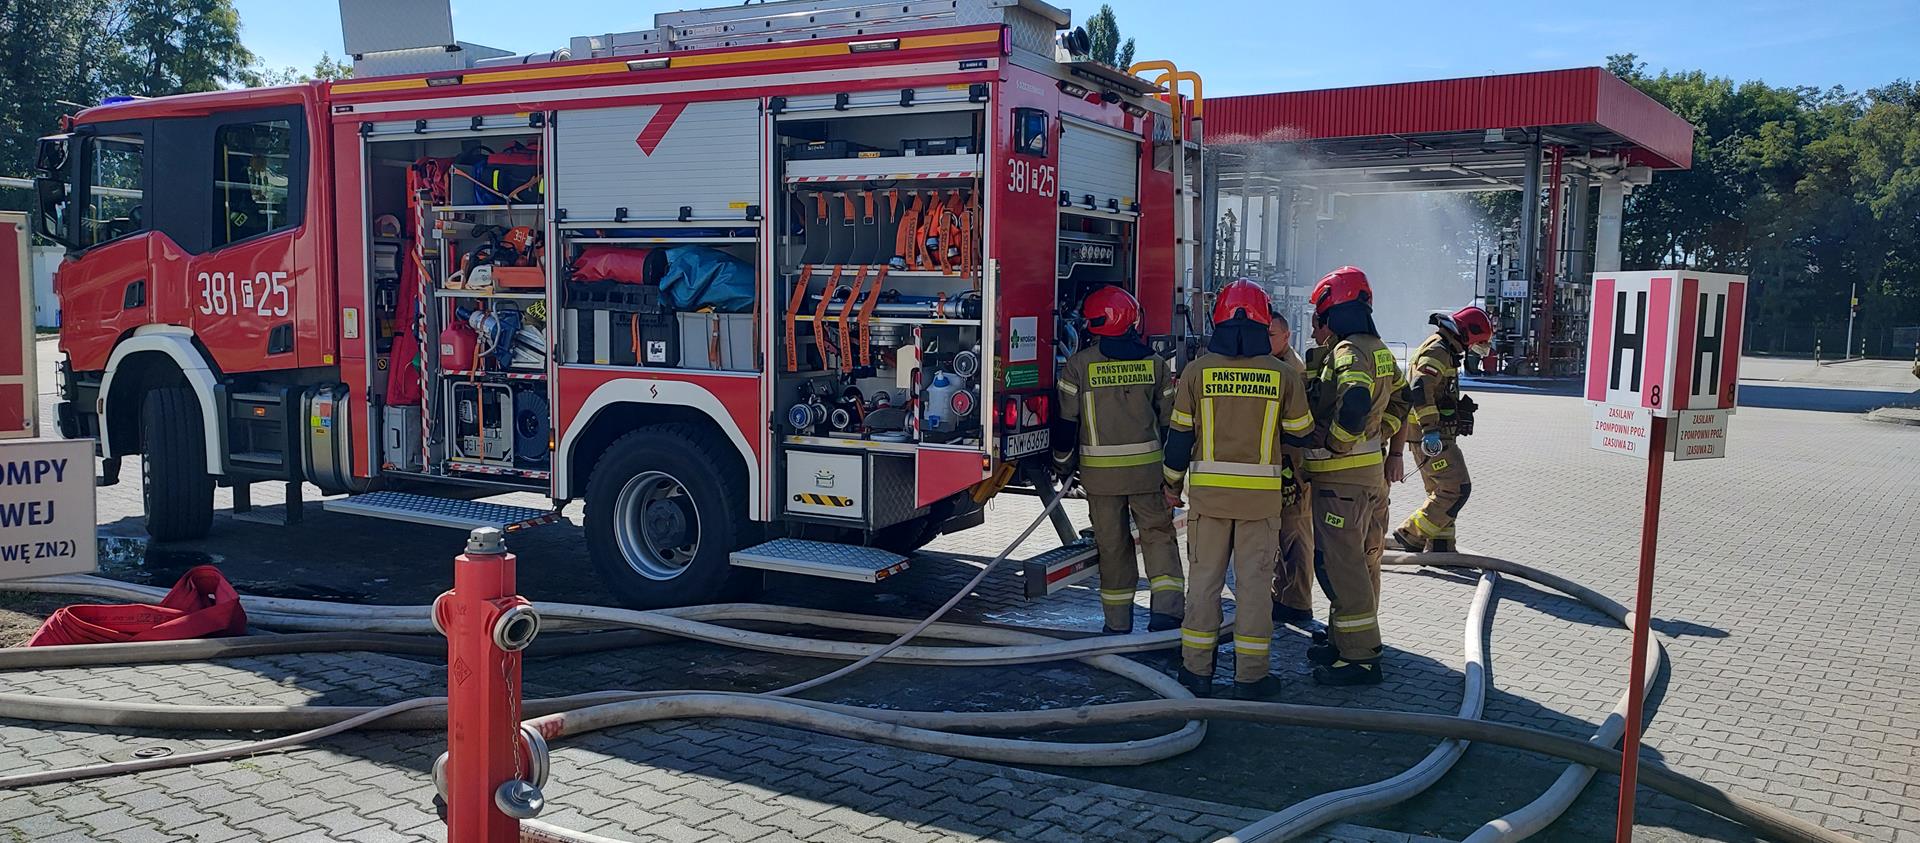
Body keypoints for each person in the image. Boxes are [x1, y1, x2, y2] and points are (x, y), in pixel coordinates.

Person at [1163, 280, 1313, 699]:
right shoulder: (1283, 375)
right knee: (1253, 590)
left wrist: (1172, 486)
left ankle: (1196, 672)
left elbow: (1179, 439)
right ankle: (1251, 677)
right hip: (1259, 504)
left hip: (1208, 501)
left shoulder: (1196, 372)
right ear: (1264, 322)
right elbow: (1301, 433)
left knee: (1204, 585)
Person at [1053, 286, 1184, 634]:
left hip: (1101, 480)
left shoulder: (1078, 366)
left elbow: (1066, 423)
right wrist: (1173, 476)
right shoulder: (1156, 365)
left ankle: (1117, 623)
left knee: (1112, 548)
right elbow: (1170, 424)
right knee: (1158, 539)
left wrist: (1062, 464)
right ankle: (1167, 615)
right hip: (1148, 476)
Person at [1302, 266, 1400, 687]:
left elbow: (1356, 401)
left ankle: (1360, 659)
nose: (1318, 323)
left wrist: (1338, 442)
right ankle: (1343, 641)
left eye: (1321, 314)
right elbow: (1403, 401)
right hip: (1368, 477)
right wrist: (1381, 434)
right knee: (1356, 561)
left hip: (1341, 481)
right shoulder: (1380, 349)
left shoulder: (1347, 351)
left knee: (1342, 568)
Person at [1393, 306, 1494, 554]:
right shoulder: (1437, 350)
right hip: (1431, 437)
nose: (1473, 348)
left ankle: (1441, 547)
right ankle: (1410, 534)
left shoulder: (1445, 349)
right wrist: (1431, 429)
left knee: (1439, 491)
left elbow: (1437, 391)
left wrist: (1456, 411)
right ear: (1468, 333)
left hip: (1434, 434)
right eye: (1477, 342)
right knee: (1456, 489)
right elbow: (1420, 388)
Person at [1266, 309, 1326, 640]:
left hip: (1291, 463)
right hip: (1279, 461)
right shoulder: (1275, 364)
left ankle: (1297, 602)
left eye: (1271, 335)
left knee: (1295, 533)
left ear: (1287, 336)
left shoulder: (1292, 370)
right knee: (1282, 534)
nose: (1265, 340)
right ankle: (1285, 596)